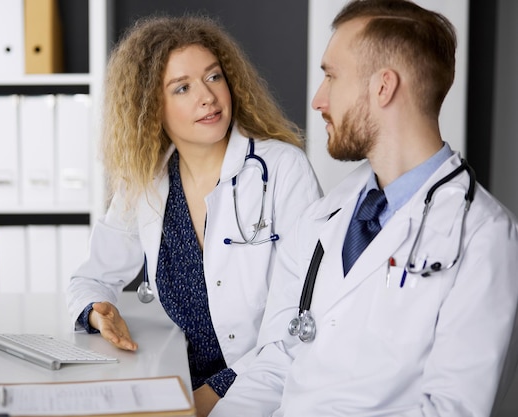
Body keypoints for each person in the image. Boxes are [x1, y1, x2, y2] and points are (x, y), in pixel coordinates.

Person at [210, 1, 518, 416]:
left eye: (331, 77)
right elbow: (275, 364)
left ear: (383, 87)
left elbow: (452, 409)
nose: (318, 100)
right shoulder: (324, 216)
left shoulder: (483, 236)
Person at [65, 14, 322, 416]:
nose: (207, 97)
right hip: (176, 377)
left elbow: (301, 322)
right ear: (151, 106)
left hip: (264, 390)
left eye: (214, 77)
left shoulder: (282, 170)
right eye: (182, 88)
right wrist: (99, 312)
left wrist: (204, 400)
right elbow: (90, 276)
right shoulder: (146, 181)